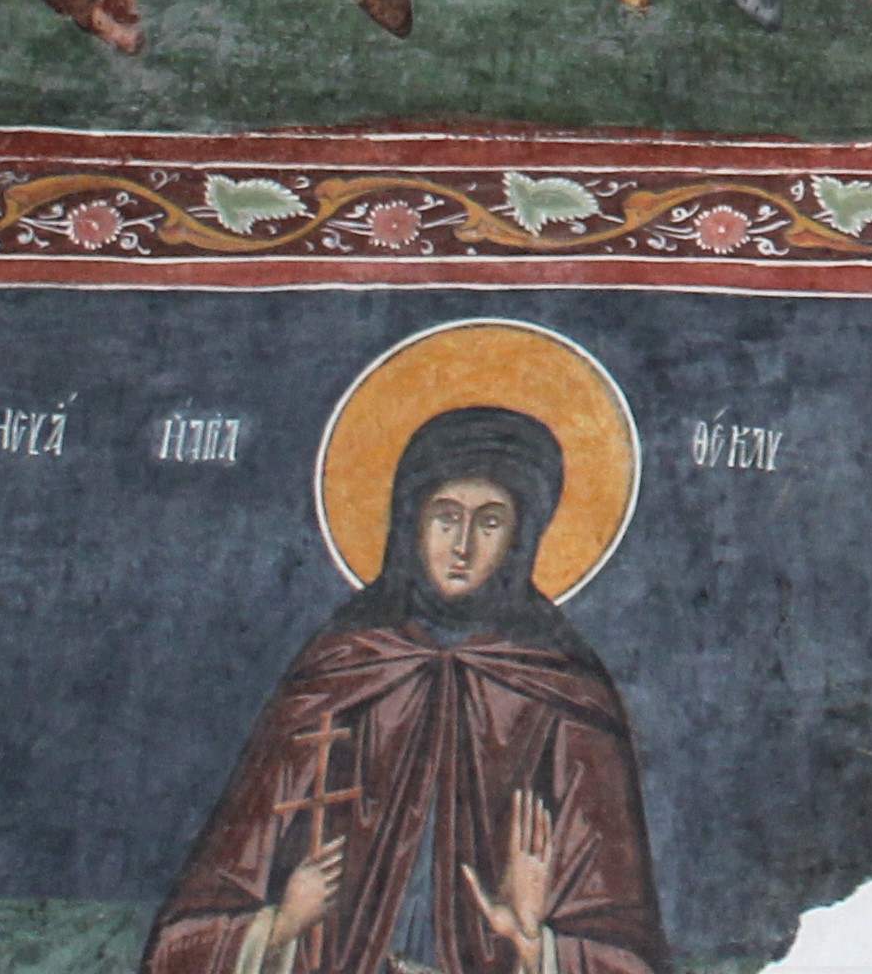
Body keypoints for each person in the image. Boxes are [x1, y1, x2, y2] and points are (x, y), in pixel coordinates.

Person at [148, 405, 664, 974]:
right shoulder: (340, 669)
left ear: (522, 537)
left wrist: (536, 944)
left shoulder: (564, 692)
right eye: (446, 516)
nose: (462, 544)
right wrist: (281, 925)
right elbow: (186, 937)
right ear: (411, 522)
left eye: (490, 522)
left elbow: (629, 954)